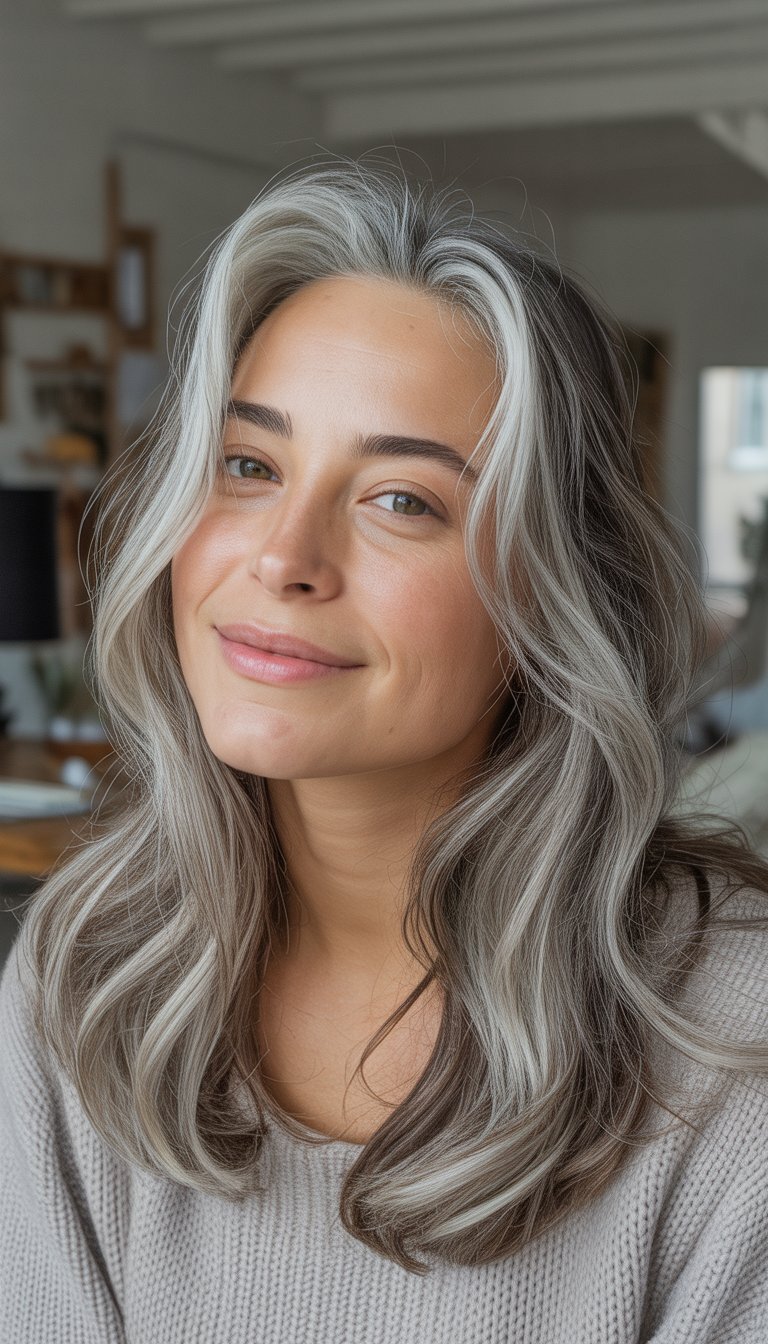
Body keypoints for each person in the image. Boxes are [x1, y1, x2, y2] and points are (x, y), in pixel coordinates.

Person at [2, 153, 768, 1344]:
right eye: (249, 467)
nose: (285, 556)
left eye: (404, 499)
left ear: (553, 601)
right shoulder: (86, 970)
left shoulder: (734, 1039)